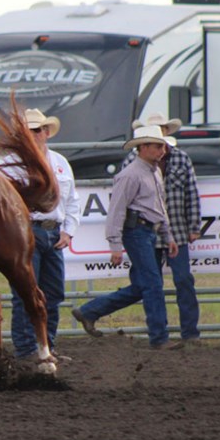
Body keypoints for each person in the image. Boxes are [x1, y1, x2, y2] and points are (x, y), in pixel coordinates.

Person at [71, 125, 182, 349]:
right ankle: (160, 338)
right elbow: (116, 210)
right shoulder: (130, 175)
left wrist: (167, 235)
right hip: (137, 232)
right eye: (158, 146)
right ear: (143, 147)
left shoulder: (152, 171)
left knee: (143, 285)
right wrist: (115, 244)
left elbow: (158, 206)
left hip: (146, 232)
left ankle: (89, 311)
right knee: (152, 284)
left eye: (162, 146)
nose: (162, 150)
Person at [5, 109, 80, 360]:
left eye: (38, 130)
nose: (34, 135)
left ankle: (47, 346)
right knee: (26, 292)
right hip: (27, 233)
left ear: (46, 132)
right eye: (29, 131)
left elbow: (72, 200)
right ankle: (27, 349)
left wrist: (68, 231)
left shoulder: (60, 162)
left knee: (53, 292)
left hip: (53, 234)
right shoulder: (12, 164)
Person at [122, 113, 201, 343]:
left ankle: (189, 333)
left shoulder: (181, 158)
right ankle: (158, 334)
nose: (160, 133)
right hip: (145, 230)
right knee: (149, 284)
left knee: (183, 280)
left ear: (167, 131)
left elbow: (191, 193)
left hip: (175, 228)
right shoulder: (132, 162)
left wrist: (194, 225)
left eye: (162, 128)